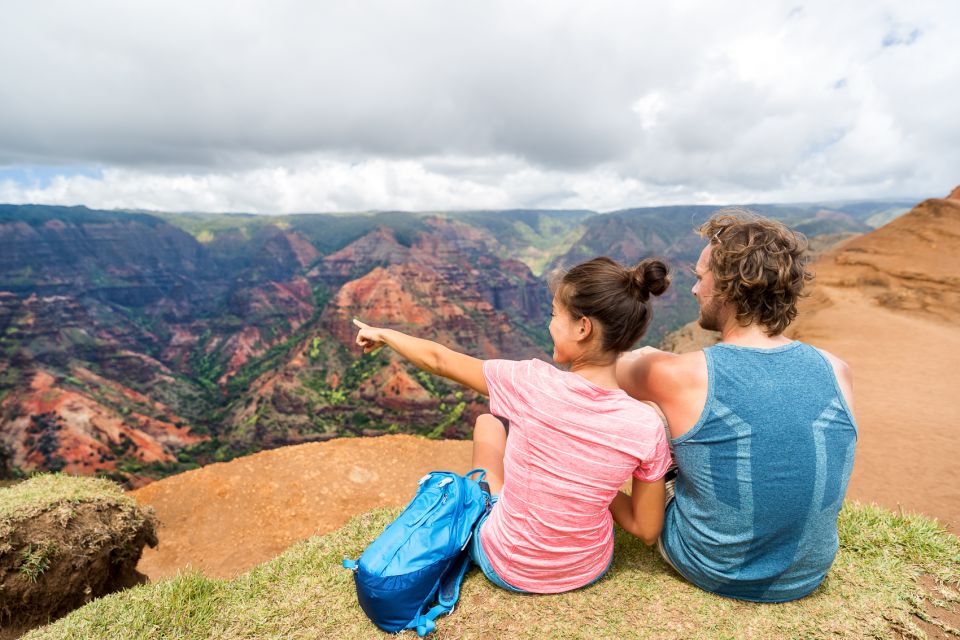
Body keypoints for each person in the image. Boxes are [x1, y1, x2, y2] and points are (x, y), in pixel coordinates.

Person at [353, 256, 673, 594]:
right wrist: (590, 488)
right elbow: (646, 529)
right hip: (585, 569)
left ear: (582, 327)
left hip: (505, 564)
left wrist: (385, 334)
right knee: (497, 427)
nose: (550, 324)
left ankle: (485, 502)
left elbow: (440, 360)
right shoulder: (644, 424)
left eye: (554, 315)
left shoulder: (529, 382)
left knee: (487, 422)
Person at [616, 209, 857, 603]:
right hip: (808, 573)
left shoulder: (678, 375)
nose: (694, 290)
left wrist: (650, 357)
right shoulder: (837, 370)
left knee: (648, 417)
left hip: (713, 568)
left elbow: (606, 369)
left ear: (727, 286)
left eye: (699, 278)